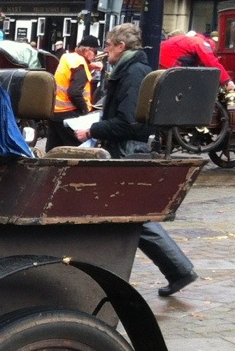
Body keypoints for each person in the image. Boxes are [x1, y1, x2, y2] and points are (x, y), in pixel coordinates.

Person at [74, 23, 197, 297]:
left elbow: (128, 122)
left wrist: (93, 130)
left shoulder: (132, 72)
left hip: (127, 149)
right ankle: (177, 271)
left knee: (132, 216)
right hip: (125, 147)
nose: (105, 50)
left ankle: (177, 270)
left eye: (108, 44)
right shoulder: (131, 69)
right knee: (128, 215)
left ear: (121, 45)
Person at [46, 35, 99, 149]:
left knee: (53, 150)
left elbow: (70, 74)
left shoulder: (67, 57)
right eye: (95, 52)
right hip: (68, 114)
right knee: (76, 151)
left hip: (55, 111)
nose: (96, 56)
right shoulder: (80, 65)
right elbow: (74, 92)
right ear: (87, 51)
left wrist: (90, 66)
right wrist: (85, 110)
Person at [159, 30, 235, 90]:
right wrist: (227, 81)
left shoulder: (184, 40)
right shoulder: (200, 42)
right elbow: (211, 61)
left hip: (162, 68)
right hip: (171, 69)